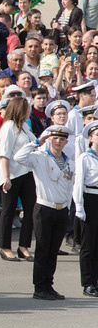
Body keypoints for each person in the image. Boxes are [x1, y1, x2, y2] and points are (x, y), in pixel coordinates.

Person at [15, 125, 75, 300]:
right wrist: (36, 142)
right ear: (49, 139)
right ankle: (39, 287)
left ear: (66, 142)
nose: (58, 142)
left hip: (61, 209)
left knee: (53, 250)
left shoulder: (69, 162)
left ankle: (49, 285)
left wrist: (68, 206)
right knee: (43, 248)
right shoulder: (40, 157)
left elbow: (69, 186)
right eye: (55, 138)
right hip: (44, 207)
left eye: (62, 139)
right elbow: (19, 157)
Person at [0, 94, 37, 262]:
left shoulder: (25, 127)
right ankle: (5, 247)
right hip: (12, 173)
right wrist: (6, 177)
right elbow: (4, 154)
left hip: (26, 173)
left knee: (30, 210)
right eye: (27, 108)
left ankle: (23, 246)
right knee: (8, 211)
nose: (30, 112)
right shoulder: (9, 127)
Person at [75, 121, 98, 297]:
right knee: (88, 244)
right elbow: (78, 184)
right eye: (97, 134)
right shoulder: (85, 157)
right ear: (90, 138)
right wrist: (79, 207)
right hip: (90, 198)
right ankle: (88, 282)